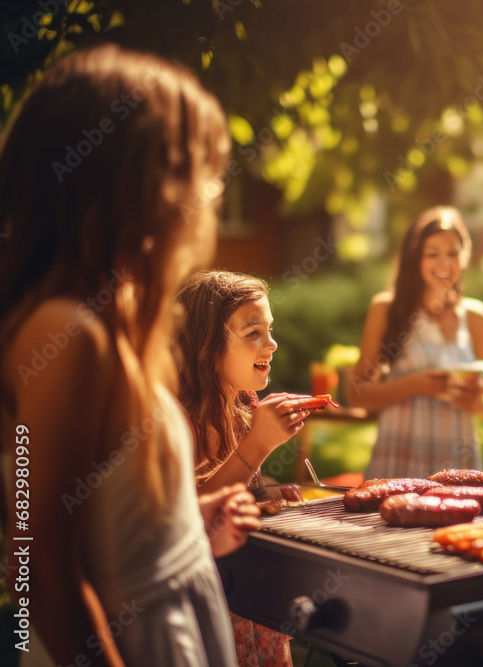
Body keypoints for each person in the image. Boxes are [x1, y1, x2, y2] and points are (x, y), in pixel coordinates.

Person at [0, 45, 244, 666]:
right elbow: (35, 568)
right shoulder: (64, 333)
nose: (210, 192)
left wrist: (183, 520)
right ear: (136, 184)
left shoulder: (117, 314)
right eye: (197, 171)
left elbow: (108, 509)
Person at [174, 270, 306, 667]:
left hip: (254, 600)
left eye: (270, 330)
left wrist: (262, 492)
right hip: (210, 603)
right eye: (253, 333)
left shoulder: (243, 406)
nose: (272, 344)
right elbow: (187, 512)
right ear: (206, 345)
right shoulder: (175, 419)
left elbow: (229, 485)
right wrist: (260, 444)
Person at [348, 206, 483, 478]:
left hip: (459, 463)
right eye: (433, 254)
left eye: (453, 254)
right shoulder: (386, 309)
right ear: (414, 258)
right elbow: (356, 394)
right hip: (399, 460)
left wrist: (478, 402)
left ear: (464, 257)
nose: (445, 264)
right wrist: (414, 384)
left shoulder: (477, 315)